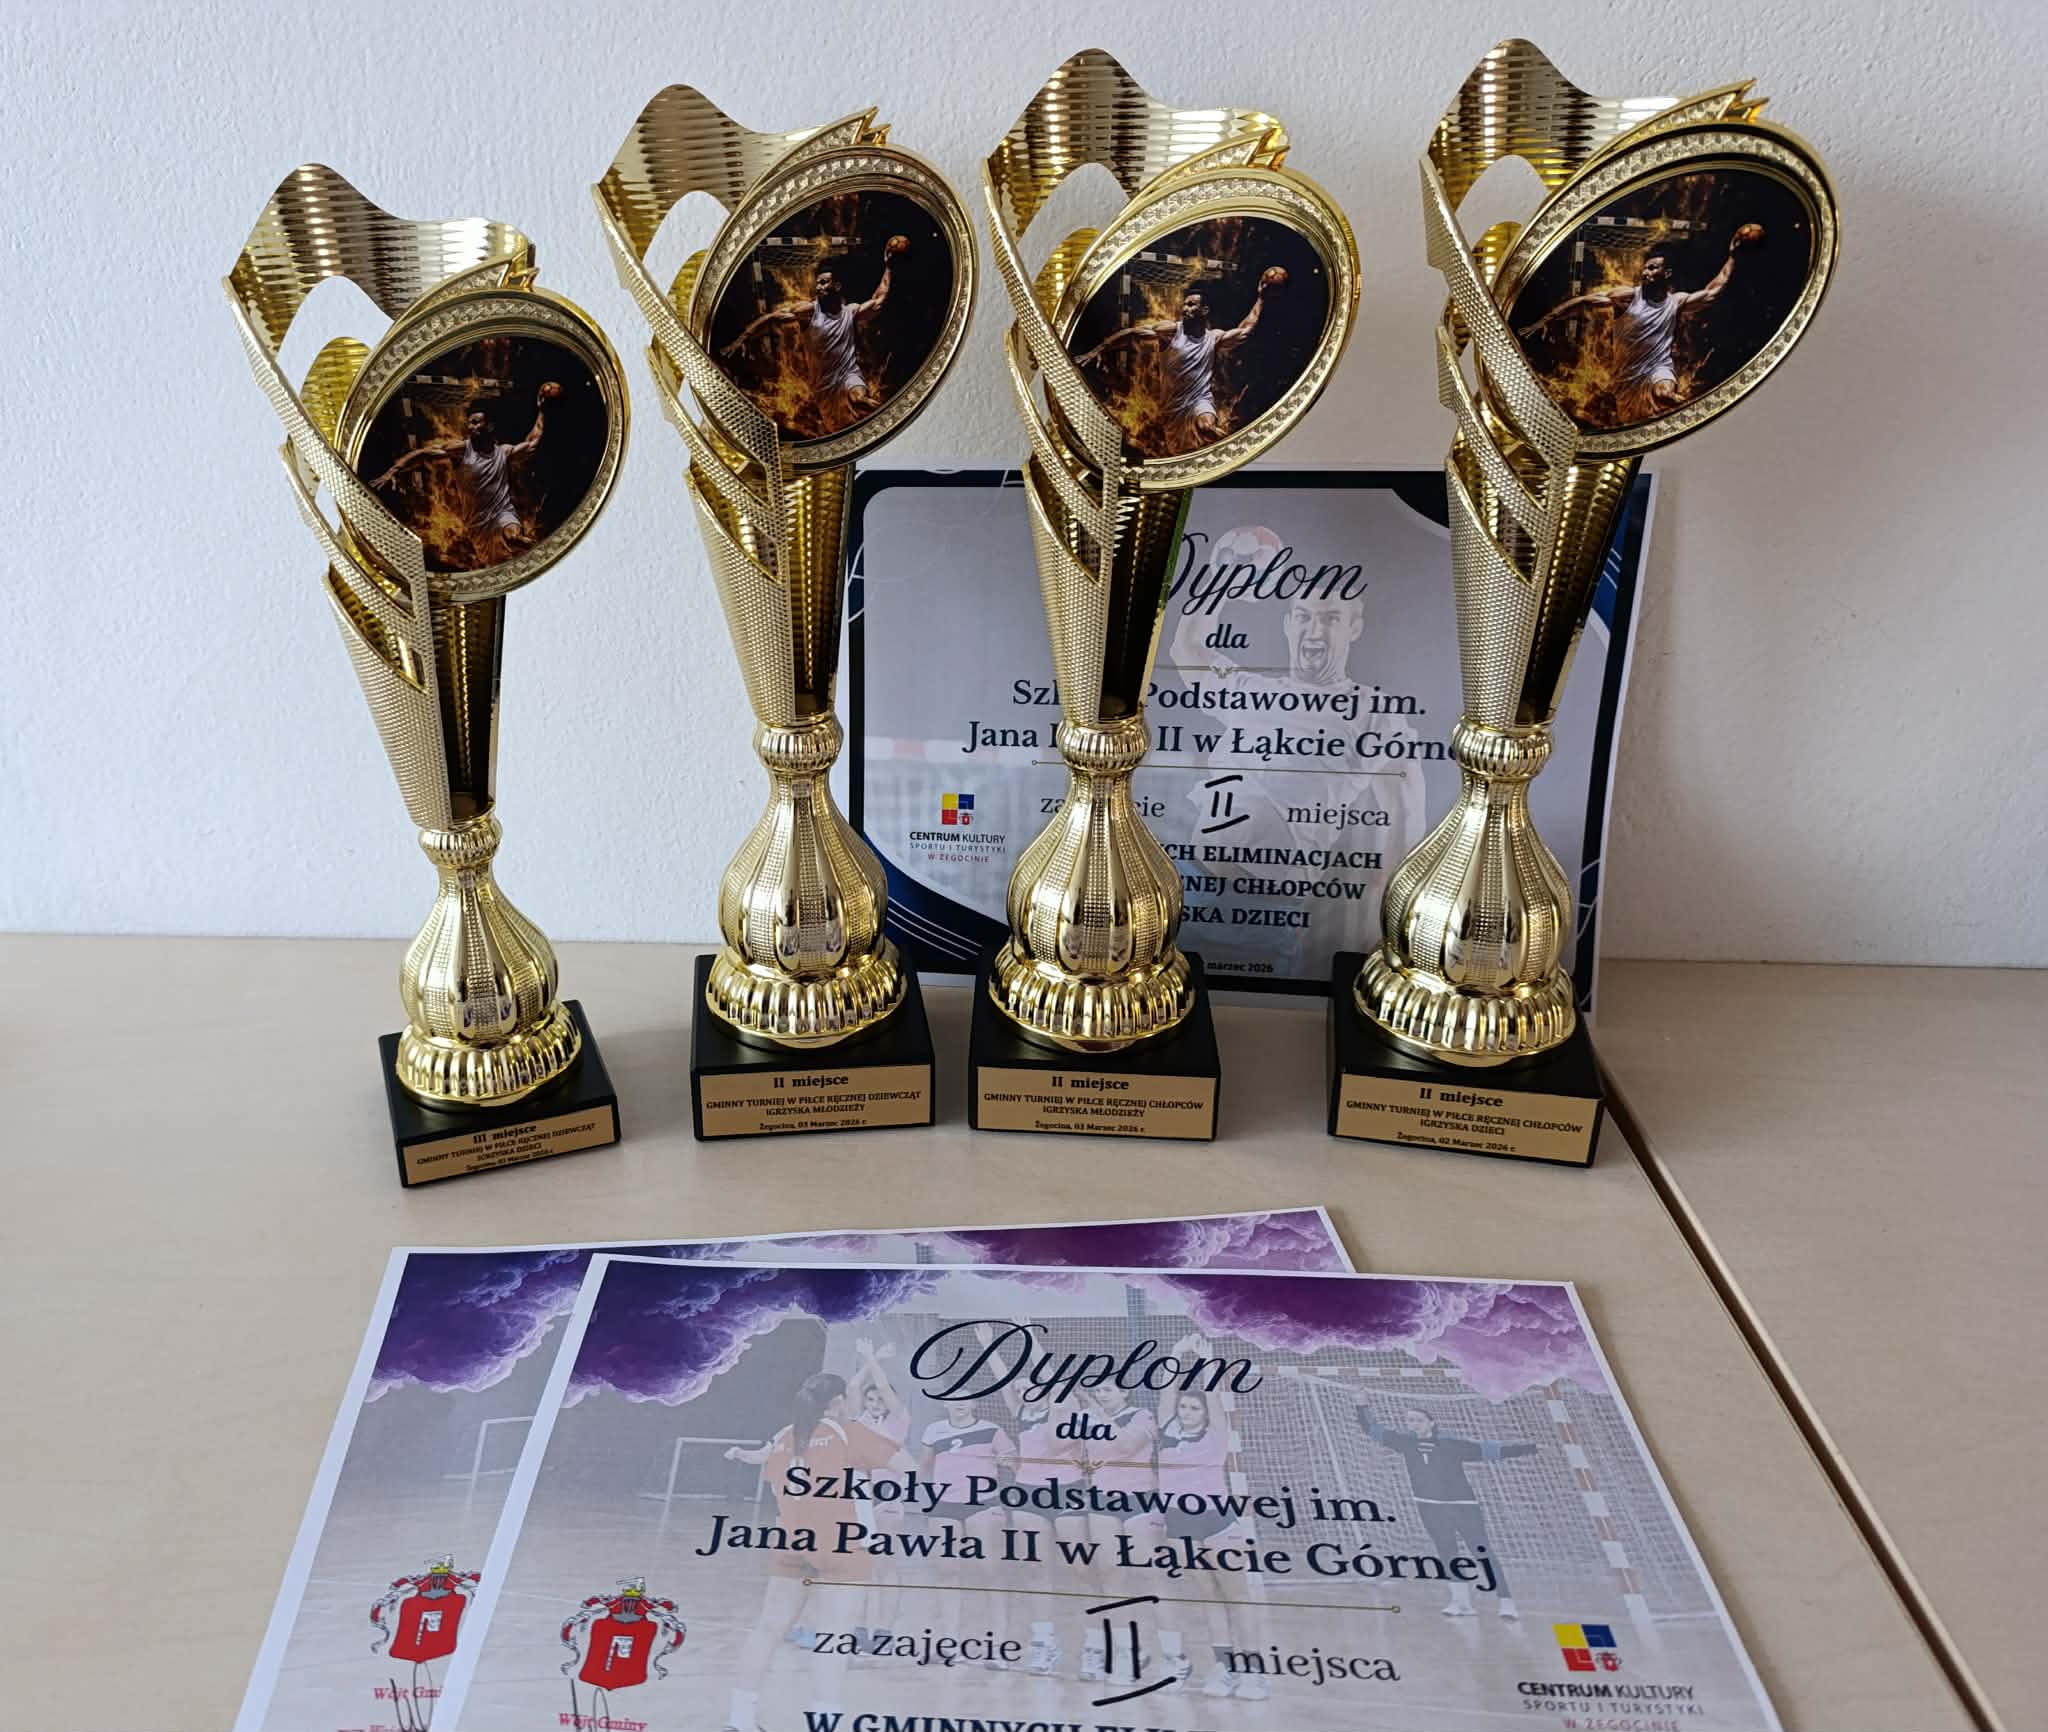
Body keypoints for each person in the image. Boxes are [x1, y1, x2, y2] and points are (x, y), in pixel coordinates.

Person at [721, 1371, 913, 1732]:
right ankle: (825, 1723)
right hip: (843, 1544)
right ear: (838, 1402)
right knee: (834, 1638)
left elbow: (779, 1481)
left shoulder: (785, 1436)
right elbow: (908, 1467)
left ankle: (740, 1718)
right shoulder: (851, 1431)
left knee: (767, 1629)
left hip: (792, 1542)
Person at [1518, 227, 1760, 422]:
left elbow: (1713, 291)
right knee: (1634, 420)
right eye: (1645, 268)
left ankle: (1700, 414)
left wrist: (1732, 256)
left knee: (1664, 394)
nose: (1645, 272)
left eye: (1653, 268)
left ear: (1667, 274)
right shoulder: (1627, 298)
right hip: (1626, 378)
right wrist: (1545, 321)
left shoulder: (1676, 302)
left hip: (1658, 368)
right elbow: (1583, 302)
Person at [1154, 1335, 1267, 1700]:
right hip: (1179, 1524)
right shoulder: (1167, 1432)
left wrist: (1205, 1360)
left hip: (1216, 1521)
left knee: (1236, 1595)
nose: (1187, 1412)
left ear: (1204, 1414)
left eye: (1194, 1408)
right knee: (1207, 1595)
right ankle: (1224, 1666)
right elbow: (1166, 1395)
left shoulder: (1215, 1436)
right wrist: (1175, 1353)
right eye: (1184, 1407)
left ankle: (1253, 1672)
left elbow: (1213, 1398)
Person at [1077, 266, 1289, 452]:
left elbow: (1245, 331)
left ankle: (1239, 452)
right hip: (1173, 409)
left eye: (1191, 305)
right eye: (1185, 304)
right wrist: (1098, 350)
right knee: (1182, 450)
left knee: (1206, 427)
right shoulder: (1170, 332)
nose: (1185, 309)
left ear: (1204, 310)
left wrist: (1261, 298)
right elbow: (1132, 333)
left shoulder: (1213, 338)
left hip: (1200, 401)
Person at [1356, 1401, 1537, 1619]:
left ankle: (1506, 1603)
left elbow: (1491, 1450)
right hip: (1429, 1507)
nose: (1414, 1424)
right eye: (1410, 1420)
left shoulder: (1450, 1443)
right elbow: (1372, 1429)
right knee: (1447, 1552)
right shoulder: (1404, 1442)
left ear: (1431, 1423)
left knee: (1482, 1552)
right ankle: (1461, 1603)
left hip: (1463, 1506)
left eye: (1419, 1420)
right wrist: (1361, 1403)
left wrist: (1531, 1448)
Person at [979, 1320, 1084, 1677]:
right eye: (1021, 1388)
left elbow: (1048, 1372)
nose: (1024, 1389)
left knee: (1080, 1568)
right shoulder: (1022, 1412)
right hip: (1027, 1493)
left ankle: (1096, 1642)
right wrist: (989, 1345)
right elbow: (1003, 1380)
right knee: (1036, 1568)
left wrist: (1028, 1336)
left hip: (1067, 1491)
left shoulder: (1065, 1404)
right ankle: (1044, 1642)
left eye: (1031, 1384)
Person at [720, 236, 909, 427]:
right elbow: (772, 318)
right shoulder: (809, 312)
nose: (818, 287)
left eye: (824, 283)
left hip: (849, 374)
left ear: (837, 286)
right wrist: (741, 340)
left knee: (859, 399)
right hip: (824, 387)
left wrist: (889, 267)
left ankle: (895, 419)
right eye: (817, 283)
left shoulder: (850, 312)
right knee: (841, 426)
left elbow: (878, 300)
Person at [368, 383, 558, 564]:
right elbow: (423, 454)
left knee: (513, 536)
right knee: (499, 562)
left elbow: (532, 443)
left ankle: (539, 549)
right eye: (470, 423)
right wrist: (392, 471)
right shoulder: (461, 451)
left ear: (489, 426)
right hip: (478, 525)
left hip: (503, 513)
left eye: (476, 422)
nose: (471, 427)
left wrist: (542, 411)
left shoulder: (503, 452)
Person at [918, 1391, 1017, 1664]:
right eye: (953, 1398)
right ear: (945, 1403)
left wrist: (1008, 1461)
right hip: (944, 1506)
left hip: (982, 1504)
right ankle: (950, 1642)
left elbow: (1015, 1463)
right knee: (946, 1571)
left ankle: (999, 1644)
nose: (959, 1403)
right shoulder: (934, 1431)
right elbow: (922, 1468)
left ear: (975, 1403)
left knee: (991, 1572)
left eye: (965, 1399)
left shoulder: (991, 1430)